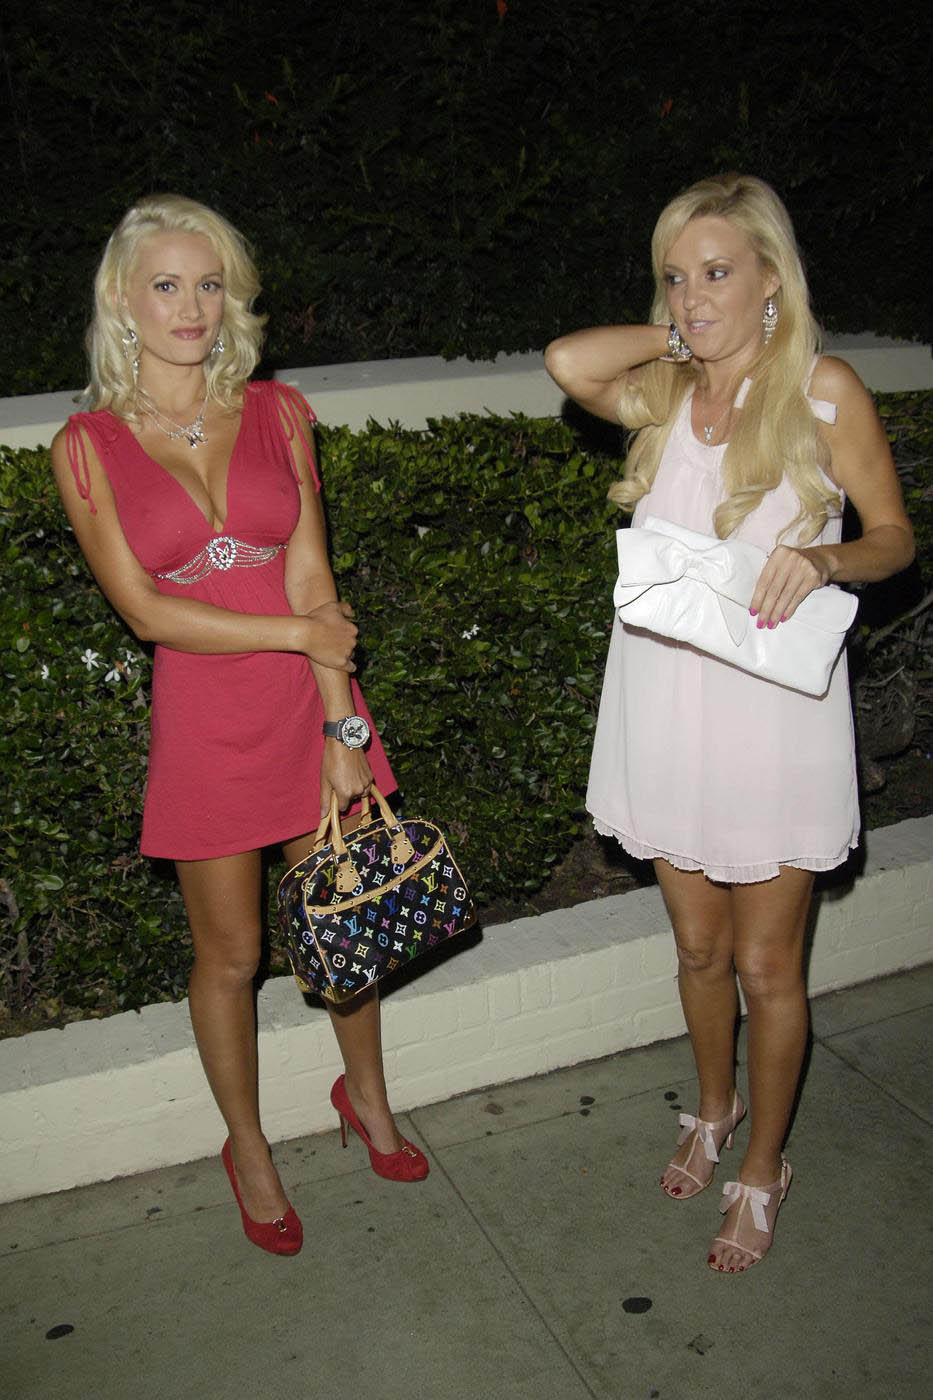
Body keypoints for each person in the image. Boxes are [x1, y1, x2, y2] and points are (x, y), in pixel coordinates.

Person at [545, 173, 914, 1274]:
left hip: (770, 718)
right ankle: (712, 1108)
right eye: (675, 275)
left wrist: (828, 559)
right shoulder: (666, 393)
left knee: (765, 966)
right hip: (666, 705)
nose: (693, 294)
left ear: (771, 279)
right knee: (698, 948)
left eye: (717, 272)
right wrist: (684, 336)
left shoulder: (823, 391)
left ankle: (763, 1163)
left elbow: (894, 536)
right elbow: (569, 362)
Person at [52, 194, 429, 1258]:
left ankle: (365, 1096)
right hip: (208, 723)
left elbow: (313, 578)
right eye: (167, 285)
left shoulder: (278, 411)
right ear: (124, 302)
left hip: (308, 706)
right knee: (232, 955)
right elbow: (146, 610)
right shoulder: (86, 446)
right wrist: (297, 634)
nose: (191, 307)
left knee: (345, 919)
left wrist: (343, 731)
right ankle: (249, 1146)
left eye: (209, 284)